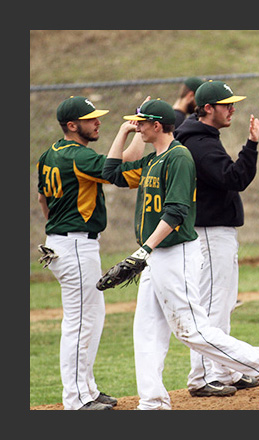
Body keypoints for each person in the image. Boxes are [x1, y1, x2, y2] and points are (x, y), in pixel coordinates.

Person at [102, 98, 259, 410]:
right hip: (156, 255)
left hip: (176, 253)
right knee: (146, 331)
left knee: (192, 330)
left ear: (157, 126)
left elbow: (176, 211)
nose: (139, 127)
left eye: (142, 124)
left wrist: (143, 250)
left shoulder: (179, 158)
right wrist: (122, 132)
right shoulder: (152, 160)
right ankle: (153, 402)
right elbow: (112, 172)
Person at [36, 96, 144, 410]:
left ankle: (87, 390)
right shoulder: (78, 156)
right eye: (90, 118)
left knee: (88, 319)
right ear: (72, 125)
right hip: (75, 245)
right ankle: (77, 399)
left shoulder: (48, 154)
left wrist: (57, 227)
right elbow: (118, 167)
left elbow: (43, 198)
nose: (97, 122)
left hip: (61, 241)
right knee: (81, 323)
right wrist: (131, 130)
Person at [173, 80, 259, 397]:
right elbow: (234, 177)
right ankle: (204, 377)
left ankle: (222, 370)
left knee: (221, 304)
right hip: (209, 232)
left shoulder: (202, 136)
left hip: (215, 231)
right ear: (207, 108)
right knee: (210, 306)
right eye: (226, 105)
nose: (232, 109)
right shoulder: (200, 143)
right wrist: (251, 145)